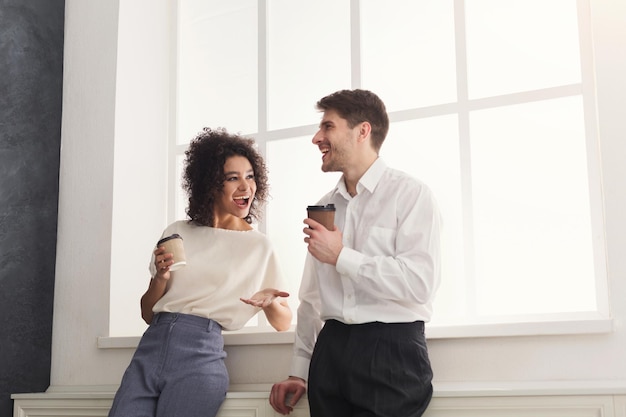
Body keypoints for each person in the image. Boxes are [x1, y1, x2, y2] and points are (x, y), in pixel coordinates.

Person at [269, 89, 442, 417]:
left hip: (391, 353)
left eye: (328, 127)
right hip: (330, 355)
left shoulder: (411, 195)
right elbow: (311, 297)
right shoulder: (325, 205)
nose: (317, 138)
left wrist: (342, 256)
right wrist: (299, 369)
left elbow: (420, 283)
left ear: (363, 131)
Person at [108, 127, 292, 417]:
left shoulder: (258, 246)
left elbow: (283, 324)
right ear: (210, 184)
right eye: (233, 178)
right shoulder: (178, 232)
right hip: (149, 351)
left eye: (250, 176)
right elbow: (147, 313)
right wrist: (160, 278)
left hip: (200, 357)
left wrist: (270, 304)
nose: (246, 187)